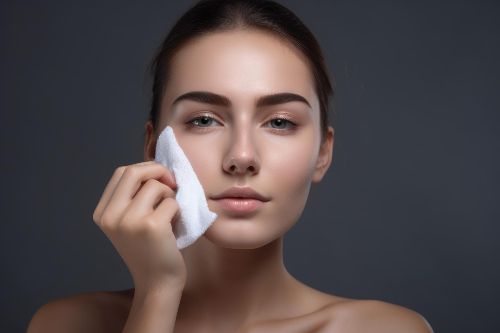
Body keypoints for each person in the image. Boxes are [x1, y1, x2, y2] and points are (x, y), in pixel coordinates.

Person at [27, 1, 434, 332]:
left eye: (279, 122)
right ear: (154, 145)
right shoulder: (68, 324)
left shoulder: (383, 328)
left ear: (322, 153)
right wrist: (158, 293)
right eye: (204, 120)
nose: (241, 157)